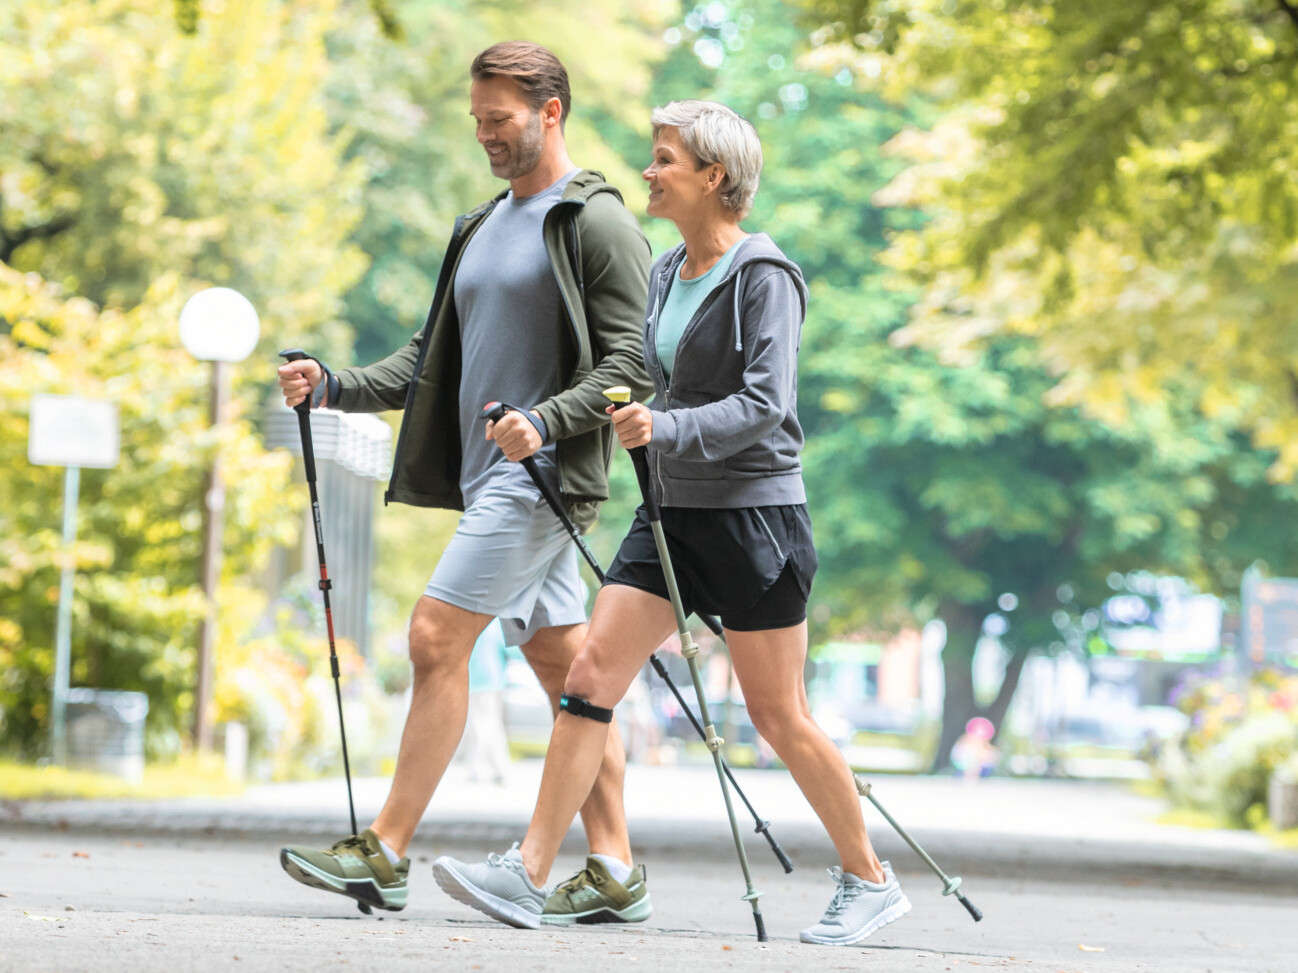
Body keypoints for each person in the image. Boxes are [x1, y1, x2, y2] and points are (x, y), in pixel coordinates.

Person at [433, 100, 911, 945]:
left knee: (778, 714)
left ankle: (869, 878)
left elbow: (767, 404)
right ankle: (528, 871)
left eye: (664, 160)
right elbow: (652, 381)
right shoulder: (664, 273)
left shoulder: (766, 277)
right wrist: (582, 413)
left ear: (713, 177)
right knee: (589, 678)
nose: (648, 172)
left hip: (755, 521)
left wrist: (669, 427)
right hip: (668, 516)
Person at [275, 41, 653, 917]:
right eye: (477, 120)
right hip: (491, 478)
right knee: (573, 676)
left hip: (543, 477)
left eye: (500, 120)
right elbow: (429, 359)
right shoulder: (480, 225)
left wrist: (547, 420)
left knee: (436, 636)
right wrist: (334, 386)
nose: (484, 134)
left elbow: (634, 361)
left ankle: (387, 847)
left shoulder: (594, 221)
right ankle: (616, 865)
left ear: (550, 111)